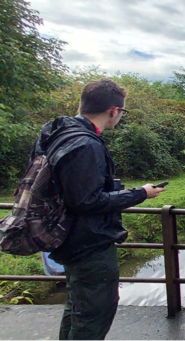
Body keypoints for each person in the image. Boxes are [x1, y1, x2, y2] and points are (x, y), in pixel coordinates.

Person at [30, 79, 166, 341]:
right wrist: (140, 193)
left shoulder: (56, 133)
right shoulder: (86, 144)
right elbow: (86, 202)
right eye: (122, 113)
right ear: (113, 111)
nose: (120, 117)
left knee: (77, 306)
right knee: (94, 313)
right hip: (88, 243)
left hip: (64, 236)